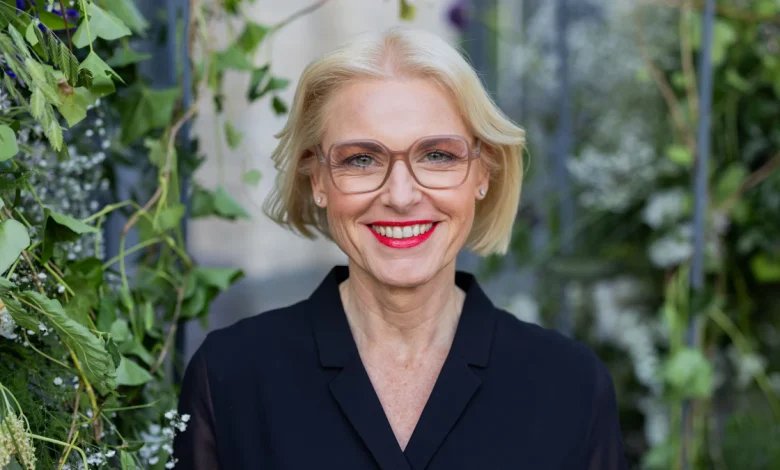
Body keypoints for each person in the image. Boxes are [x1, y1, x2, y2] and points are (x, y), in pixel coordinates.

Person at [173, 27, 627, 469]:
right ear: (317, 180)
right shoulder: (231, 376)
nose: (401, 195)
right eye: (361, 160)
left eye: (437, 155)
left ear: (483, 173)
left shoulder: (570, 386)